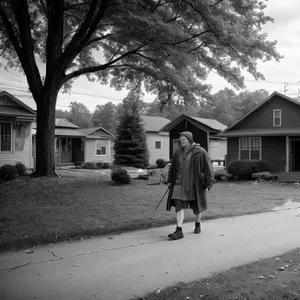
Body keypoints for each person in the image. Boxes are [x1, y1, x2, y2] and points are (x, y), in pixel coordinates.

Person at [166, 131, 214, 240]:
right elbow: (172, 169)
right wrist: (169, 180)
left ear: (190, 140)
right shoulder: (177, 153)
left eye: (184, 139)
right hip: (179, 184)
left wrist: (209, 182)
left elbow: (208, 167)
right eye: (180, 139)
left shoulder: (200, 152)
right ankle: (179, 230)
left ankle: (197, 224)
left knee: (197, 207)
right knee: (178, 205)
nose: (181, 141)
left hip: (194, 185)